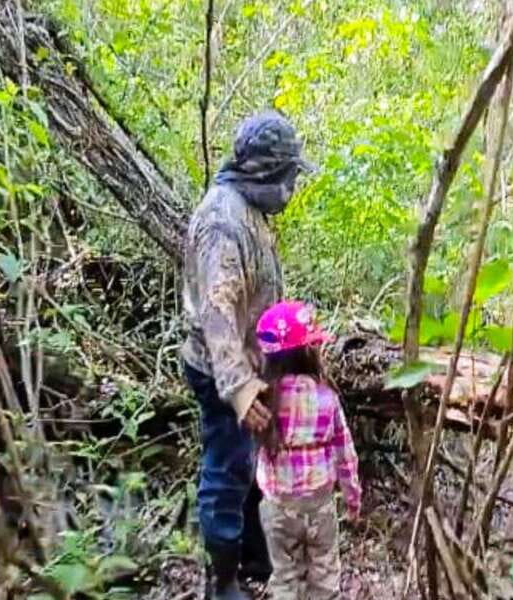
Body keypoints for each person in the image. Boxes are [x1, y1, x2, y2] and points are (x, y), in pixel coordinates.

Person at [182, 111, 315, 600]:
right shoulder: (223, 220)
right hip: (221, 368)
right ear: (266, 173)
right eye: (288, 178)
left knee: (255, 458)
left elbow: (254, 292)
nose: (291, 188)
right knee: (229, 465)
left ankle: (255, 555)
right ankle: (221, 582)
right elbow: (218, 314)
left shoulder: (249, 210)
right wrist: (239, 389)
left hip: (249, 363)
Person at [254, 301, 361, 600]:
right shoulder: (326, 397)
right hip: (319, 504)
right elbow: (345, 453)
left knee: (285, 577)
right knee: (325, 577)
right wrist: (353, 498)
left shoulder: (261, 400)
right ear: (308, 351)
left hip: (277, 506)